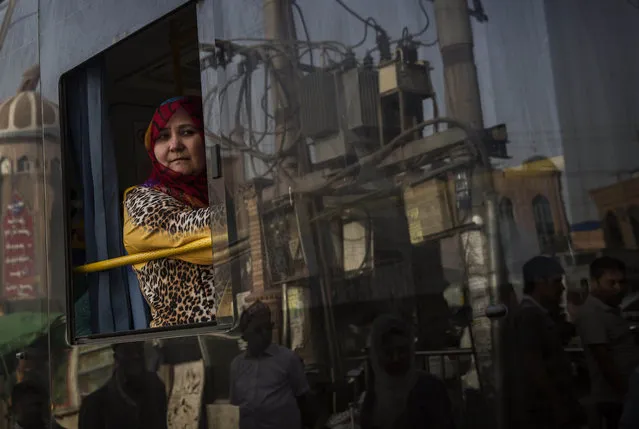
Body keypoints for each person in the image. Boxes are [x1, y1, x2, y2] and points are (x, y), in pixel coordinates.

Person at [123, 96, 225, 328]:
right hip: (182, 344)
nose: (175, 145)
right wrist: (255, 205)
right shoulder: (140, 200)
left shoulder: (220, 193)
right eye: (163, 136)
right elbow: (187, 228)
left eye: (187, 132)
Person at [509, 255, 584, 429]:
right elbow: (535, 365)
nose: (562, 288)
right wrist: (557, 405)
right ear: (539, 282)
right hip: (544, 409)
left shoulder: (540, 313)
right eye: (556, 281)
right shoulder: (529, 316)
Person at [229, 300, 318, 429]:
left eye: (268, 327)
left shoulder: (287, 359)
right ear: (245, 335)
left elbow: (304, 402)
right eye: (258, 329)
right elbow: (237, 406)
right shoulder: (237, 366)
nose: (265, 333)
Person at [575, 256, 639, 429]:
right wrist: (628, 396)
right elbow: (604, 360)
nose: (619, 288)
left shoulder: (611, 309)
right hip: (615, 400)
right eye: (611, 283)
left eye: (622, 282)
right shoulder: (592, 313)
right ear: (595, 283)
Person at [360, 314, 454, 429]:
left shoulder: (431, 389)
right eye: (388, 353)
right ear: (377, 355)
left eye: (402, 351)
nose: (396, 358)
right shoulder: (372, 397)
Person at [78, 342, 168, 429]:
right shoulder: (93, 406)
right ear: (116, 358)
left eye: (139, 349)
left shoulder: (158, 392)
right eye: (128, 350)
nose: (136, 356)